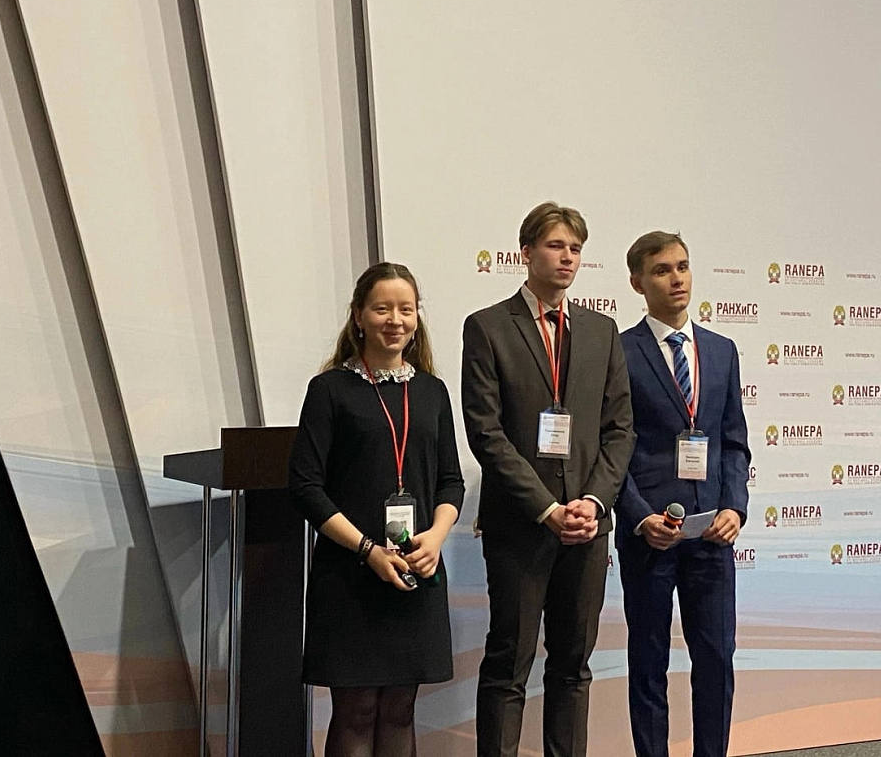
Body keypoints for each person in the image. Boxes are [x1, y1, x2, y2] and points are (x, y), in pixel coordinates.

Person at [461, 201, 635, 757]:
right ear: (526, 252)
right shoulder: (488, 326)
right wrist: (547, 508)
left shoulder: (602, 331)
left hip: (586, 527)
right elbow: (486, 432)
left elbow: (620, 430)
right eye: (556, 245)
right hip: (521, 525)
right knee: (508, 664)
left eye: (576, 249)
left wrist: (594, 503)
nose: (568, 258)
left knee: (572, 667)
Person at [288, 262, 465, 757]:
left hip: (415, 571)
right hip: (350, 576)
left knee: (399, 711)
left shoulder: (431, 391)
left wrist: (435, 537)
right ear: (359, 316)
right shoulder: (329, 390)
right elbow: (306, 486)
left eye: (406, 309)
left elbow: (450, 481)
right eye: (382, 308)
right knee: (357, 710)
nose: (395, 320)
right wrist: (367, 549)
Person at [617, 231, 751, 757]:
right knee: (649, 664)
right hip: (651, 535)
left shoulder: (721, 350)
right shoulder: (619, 352)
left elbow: (734, 441)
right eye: (662, 270)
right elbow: (611, 448)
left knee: (716, 659)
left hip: (712, 534)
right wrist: (637, 516)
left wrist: (735, 507)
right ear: (637, 283)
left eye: (683, 266)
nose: (676, 279)